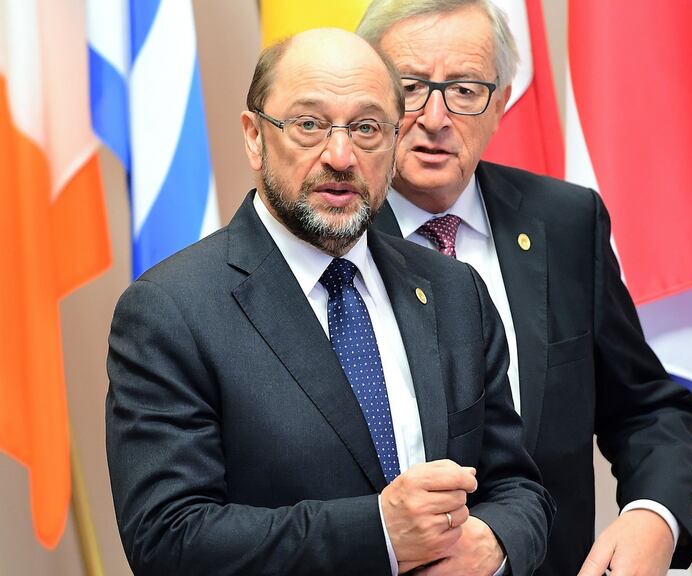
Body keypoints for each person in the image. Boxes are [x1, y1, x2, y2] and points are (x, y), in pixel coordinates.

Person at [105, 28, 552, 576]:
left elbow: (517, 487)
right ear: (254, 137)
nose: (340, 156)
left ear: (393, 141)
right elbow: (169, 540)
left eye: (366, 128)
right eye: (309, 124)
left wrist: (496, 544)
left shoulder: (455, 292)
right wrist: (380, 535)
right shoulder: (171, 311)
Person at [357, 2, 692, 574]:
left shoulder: (565, 221)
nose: (436, 117)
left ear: (502, 101)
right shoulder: (332, 243)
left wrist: (654, 514)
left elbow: (645, 408)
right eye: (410, 87)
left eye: (466, 90)